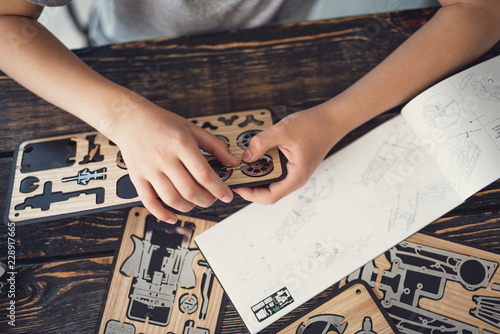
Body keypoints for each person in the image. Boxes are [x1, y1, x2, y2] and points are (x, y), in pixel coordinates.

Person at [1, 0, 499, 224]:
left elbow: (482, 9)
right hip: (118, 62)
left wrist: (335, 118)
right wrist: (121, 114)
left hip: (276, 53)